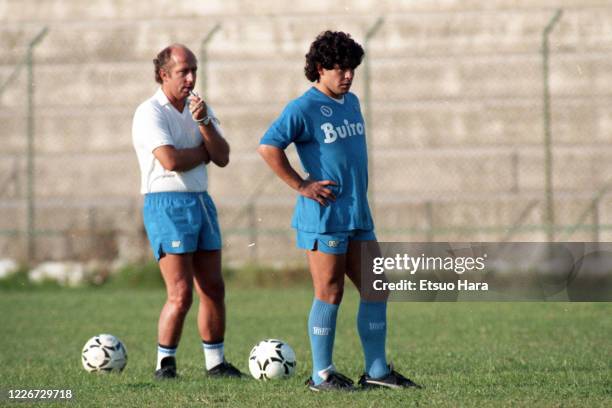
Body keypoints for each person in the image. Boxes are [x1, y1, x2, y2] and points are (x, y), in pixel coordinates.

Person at [258, 31, 421, 391]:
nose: (347, 75)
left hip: (357, 213)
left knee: (376, 287)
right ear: (320, 68)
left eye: (352, 69)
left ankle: (377, 373)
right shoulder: (302, 108)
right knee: (330, 292)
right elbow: (268, 146)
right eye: (340, 69)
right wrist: (301, 185)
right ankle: (322, 375)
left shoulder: (352, 102)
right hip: (325, 216)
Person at [132, 43, 242, 379]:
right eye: (183, 71)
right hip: (166, 204)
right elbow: (171, 161)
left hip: (200, 200)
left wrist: (205, 124)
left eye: (194, 69)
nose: (191, 78)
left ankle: (216, 364)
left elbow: (222, 156)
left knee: (213, 287)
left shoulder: (198, 108)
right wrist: (203, 152)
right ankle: (164, 365)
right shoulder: (150, 112)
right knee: (180, 294)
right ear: (163, 75)